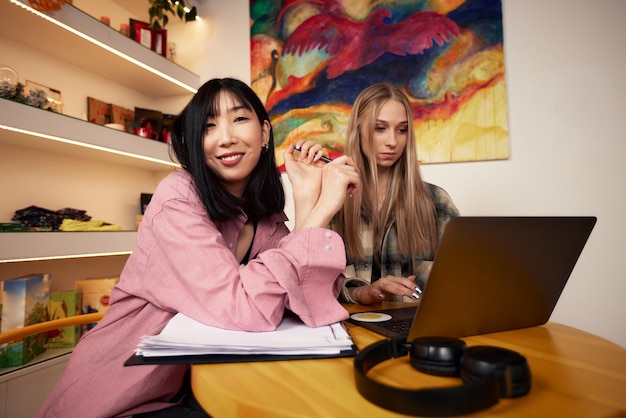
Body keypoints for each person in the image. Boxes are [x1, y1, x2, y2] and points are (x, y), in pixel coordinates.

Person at [37, 78, 360, 417]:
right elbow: (243, 306)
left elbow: (304, 301)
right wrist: (324, 209)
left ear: (265, 133)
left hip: (194, 386)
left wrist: (306, 196)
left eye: (238, 119)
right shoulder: (177, 197)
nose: (225, 137)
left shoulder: (265, 220)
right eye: (209, 126)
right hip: (121, 394)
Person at [330, 82, 459, 305]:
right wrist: (364, 292)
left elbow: (462, 276)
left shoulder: (436, 201)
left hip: (416, 331)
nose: (392, 141)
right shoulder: (332, 201)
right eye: (380, 128)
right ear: (357, 130)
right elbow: (313, 282)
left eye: (402, 130)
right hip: (352, 330)